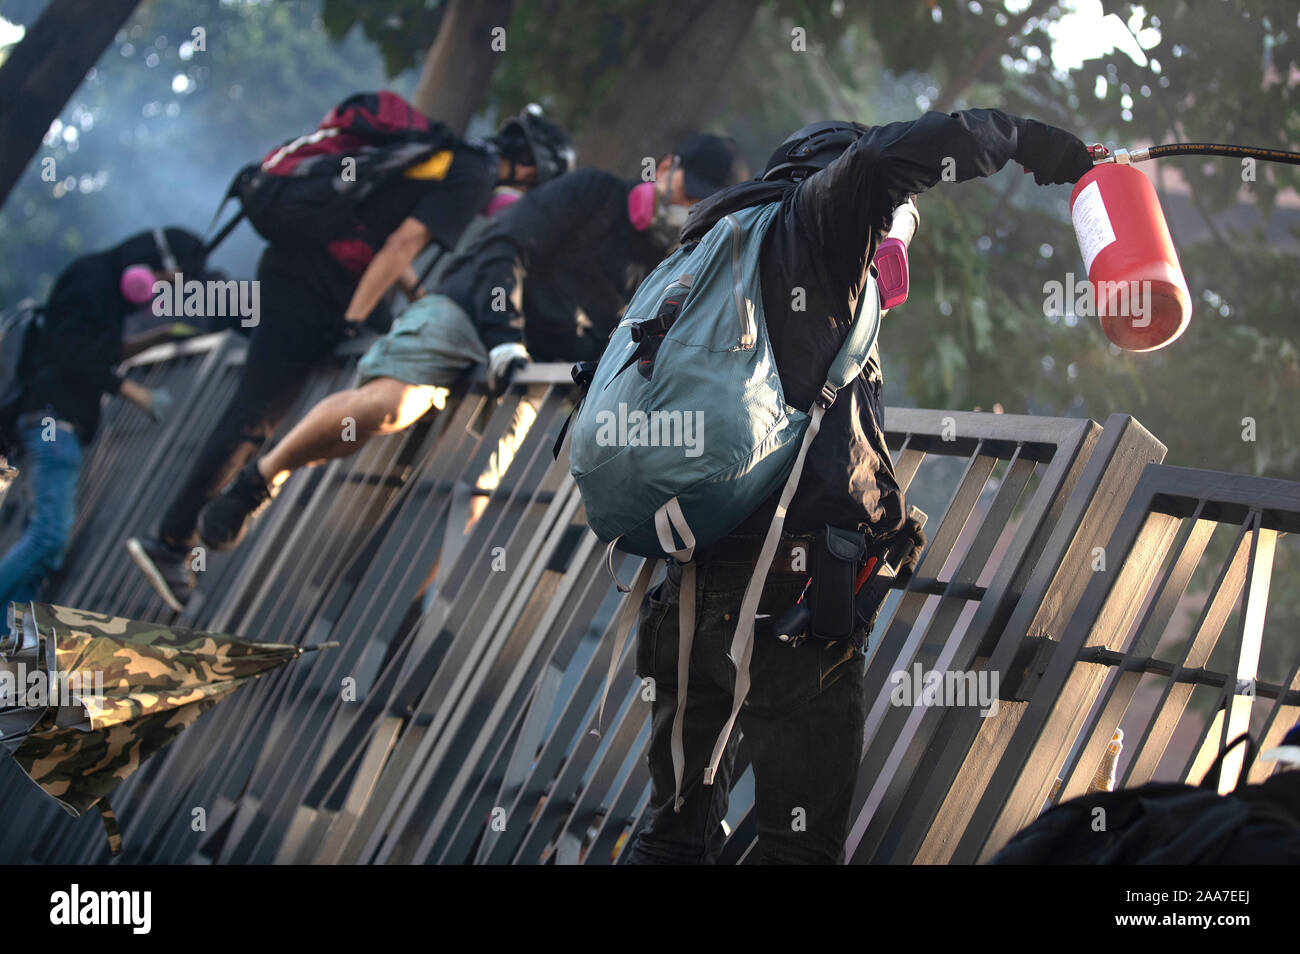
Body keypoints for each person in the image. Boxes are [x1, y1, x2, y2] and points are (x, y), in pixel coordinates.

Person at [621, 111, 1094, 865]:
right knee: (798, 846)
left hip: (682, 592)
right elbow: (885, 157)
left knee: (673, 833)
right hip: (787, 606)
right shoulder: (814, 220)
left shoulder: (711, 241)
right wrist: (1035, 145)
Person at [191, 134, 749, 558]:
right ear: (667, 167)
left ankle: (418, 622)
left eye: (702, 200)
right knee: (389, 407)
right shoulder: (592, 191)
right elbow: (506, 245)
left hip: (531, 366)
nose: (686, 203)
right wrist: (503, 334)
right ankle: (257, 480)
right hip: (471, 310)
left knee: (481, 486)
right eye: (686, 189)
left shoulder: (672, 264)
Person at [127, 107, 575, 612]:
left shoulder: (450, 155)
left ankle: (196, 526)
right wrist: (354, 315)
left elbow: (391, 242)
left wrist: (412, 298)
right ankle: (171, 539)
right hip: (315, 284)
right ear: (533, 172)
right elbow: (403, 244)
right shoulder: (475, 172)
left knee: (319, 382)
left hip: (304, 269)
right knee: (253, 418)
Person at [0, 228, 201, 631]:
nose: (162, 292)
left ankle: (9, 645)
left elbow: (97, 350)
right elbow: (72, 353)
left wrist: (159, 337)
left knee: (39, 545)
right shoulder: (91, 277)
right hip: (53, 422)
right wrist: (136, 394)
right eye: (167, 282)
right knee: (48, 539)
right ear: (150, 267)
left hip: (56, 423)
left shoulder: (102, 291)